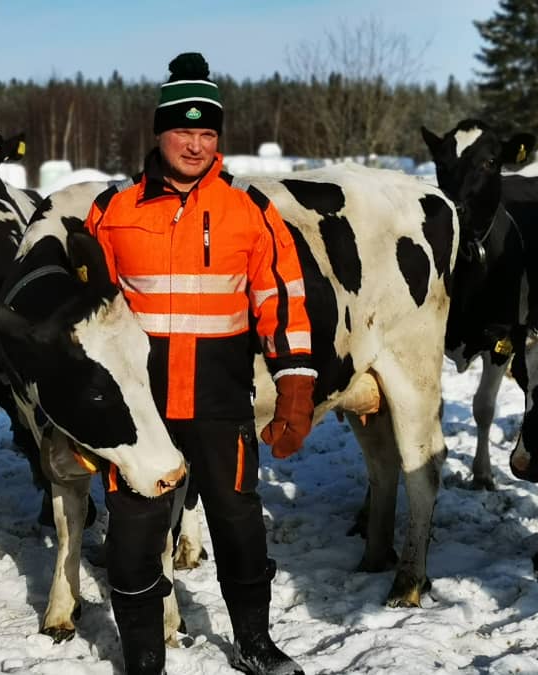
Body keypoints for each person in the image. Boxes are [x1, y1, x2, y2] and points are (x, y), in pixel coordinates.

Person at [83, 52, 315, 675]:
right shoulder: (113, 212)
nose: (195, 143)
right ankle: (142, 657)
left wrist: (295, 382)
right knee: (132, 536)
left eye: (207, 132)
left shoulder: (250, 211)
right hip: (140, 415)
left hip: (219, 400)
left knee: (239, 523)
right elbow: (85, 321)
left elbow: (281, 298)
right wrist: (81, 417)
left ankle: (254, 643)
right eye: (183, 130)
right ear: (158, 133)